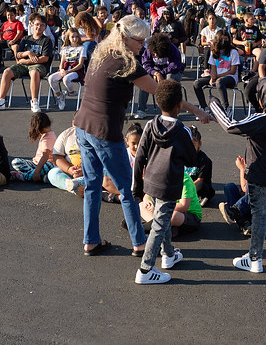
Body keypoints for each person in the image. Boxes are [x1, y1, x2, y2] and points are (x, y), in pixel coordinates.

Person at [73, 15, 208, 257]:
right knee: (128, 188)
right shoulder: (127, 64)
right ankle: (139, 243)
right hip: (105, 131)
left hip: (83, 126)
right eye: (140, 41)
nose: (143, 46)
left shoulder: (102, 52)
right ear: (125, 37)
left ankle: (90, 240)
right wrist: (195, 109)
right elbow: (161, 92)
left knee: (92, 185)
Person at [211, 75, 266, 273]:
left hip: (259, 177)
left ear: (262, 98)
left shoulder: (260, 120)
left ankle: (254, 259)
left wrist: (214, 105)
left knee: (258, 215)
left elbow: (230, 126)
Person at [131, 80, 198, 284]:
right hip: (170, 183)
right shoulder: (182, 131)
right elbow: (191, 160)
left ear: (158, 103)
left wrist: (138, 187)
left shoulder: (150, 125)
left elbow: (139, 158)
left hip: (151, 181)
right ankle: (145, 269)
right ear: (179, 105)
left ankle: (168, 254)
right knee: (160, 224)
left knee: (163, 216)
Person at [0, 13, 54, 112]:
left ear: (45, 27)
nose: (39, 27)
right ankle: (1, 101)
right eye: (37, 24)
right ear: (32, 25)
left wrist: (25, 60)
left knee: (34, 72)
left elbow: (44, 58)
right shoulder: (26, 39)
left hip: (40, 66)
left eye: (42, 25)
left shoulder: (46, 41)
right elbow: (18, 54)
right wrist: (28, 52)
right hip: (24, 65)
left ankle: (34, 102)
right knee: (7, 72)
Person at [135, 33, 184, 118]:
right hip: (155, 73)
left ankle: (171, 109)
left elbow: (174, 67)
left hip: (172, 73)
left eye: (157, 53)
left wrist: (161, 73)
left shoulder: (173, 50)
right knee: (145, 81)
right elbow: (146, 65)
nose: (156, 55)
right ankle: (141, 110)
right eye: (154, 54)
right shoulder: (149, 50)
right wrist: (155, 73)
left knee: (170, 79)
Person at [192, 30, 240, 111]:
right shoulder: (214, 52)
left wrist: (216, 77)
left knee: (219, 82)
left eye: (226, 39)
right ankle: (204, 107)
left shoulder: (233, 52)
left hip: (230, 78)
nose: (224, 42)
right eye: (222, 39)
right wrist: (212, 78)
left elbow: (233, 71)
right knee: (197, 83)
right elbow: (213, 69)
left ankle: (226, 108)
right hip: (217, 77)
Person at [10, 112, 56, 182]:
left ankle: (24, 176)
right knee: (16, 162)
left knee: (49, 166)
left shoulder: (48, 138)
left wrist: (37, 170)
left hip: (46, 164)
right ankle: (40, 176)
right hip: (36, 163)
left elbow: (45, 156)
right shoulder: (49, 134)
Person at [48, 28, 86, 112]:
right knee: (51, 78)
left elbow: (80, 65)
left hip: (76, 70)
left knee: (66, 79)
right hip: (65, 68)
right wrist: (61, 69)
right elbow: (62, 62)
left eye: (76, 37)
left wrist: (68, 71)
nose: (75, 39)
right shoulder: (65, 48)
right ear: (68, 37)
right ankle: (59, 96)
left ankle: (71, 92)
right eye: (72, 37)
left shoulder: (81, 48)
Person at [183, 125, 214, 207]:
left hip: (197, 186)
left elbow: (200, 180)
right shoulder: (180, 156)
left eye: (193, 144)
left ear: (199, 144)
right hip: (184, 186)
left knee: (200, 186)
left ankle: (201, 198)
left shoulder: (203, 159)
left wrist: (185, 187)